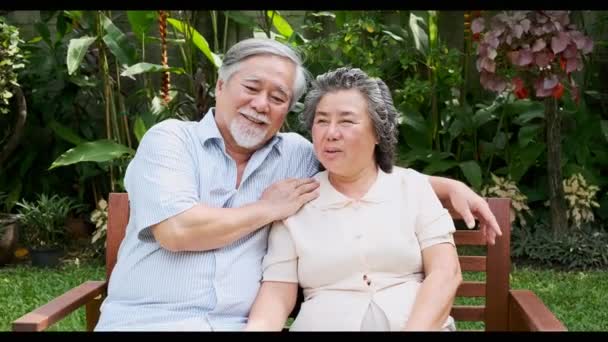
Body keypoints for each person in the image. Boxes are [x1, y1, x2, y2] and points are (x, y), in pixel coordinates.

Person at [94, 38, 500, 331]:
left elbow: (363, 168)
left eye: (278, 97)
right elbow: (178, 230)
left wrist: (447, 187)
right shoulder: (171, 140)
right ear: (220, 86)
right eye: (251, 88)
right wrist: (268, 209)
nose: (261, 105)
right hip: (147, 321)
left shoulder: (295, 154)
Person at [245, 67, 461, 331]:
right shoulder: (296, 201)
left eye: (346, 121)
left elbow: (445, 273)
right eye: (322, 121)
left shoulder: (413, 187)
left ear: (378, 133)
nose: (331, 133)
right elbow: (277, 293)